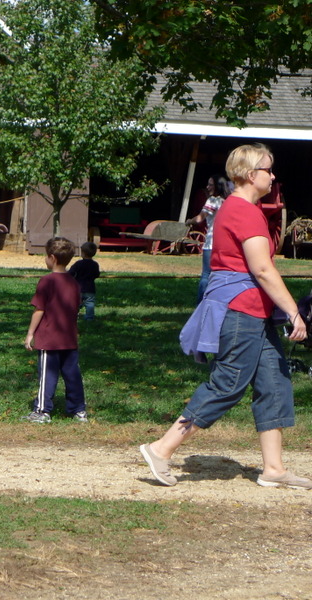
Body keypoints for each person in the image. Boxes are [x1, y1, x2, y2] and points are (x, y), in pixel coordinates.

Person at [141, 143, 311, 490]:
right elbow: (262, 269)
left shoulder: (241, 208)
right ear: (250, 174)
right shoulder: (244, 212)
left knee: (274, 383)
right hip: (240, 310)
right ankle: (161, 449)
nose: (273, 176)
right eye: (268, 170)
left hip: (254, 312)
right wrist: (295, 312)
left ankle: (273, 468)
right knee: (229, 383)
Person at [22, 237, 87, 423]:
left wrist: (30, 333)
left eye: (46, 256)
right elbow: (75, 309)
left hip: (49, 339)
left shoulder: (47, 281)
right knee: (72, 374)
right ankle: (79, 410)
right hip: (69, 338)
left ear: (52, 258)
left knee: (47, 375)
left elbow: (39, 309)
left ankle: (42, 411)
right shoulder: (74, 283)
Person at [187, 174, 228, 303]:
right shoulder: (228, 202)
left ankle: (201, 304)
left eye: (211, 185)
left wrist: (189, 221)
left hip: (211, 243)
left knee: (206, 275)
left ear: (217, 187)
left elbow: (200, 218)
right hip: (226, 245)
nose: (207, 187)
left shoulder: (212, 200)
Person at [68, 241, 101, 320]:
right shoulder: (95, 264)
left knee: (76, 303)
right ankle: (89, 317)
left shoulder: (78, 264)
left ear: (83, 253)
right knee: (90, 304)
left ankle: (73, 316)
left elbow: (70, 273)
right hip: (90, 288)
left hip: (78, 288)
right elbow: (96, 274)